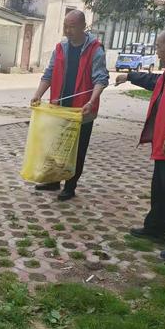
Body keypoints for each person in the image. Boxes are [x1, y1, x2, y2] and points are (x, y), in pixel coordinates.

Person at [31, 10, 109, 201]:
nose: (67, 30)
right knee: (56, 146)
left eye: (71, 26)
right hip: (59, 109)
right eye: (65, 26)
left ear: (83, 26)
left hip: (82, 111)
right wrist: (38, 94)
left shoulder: (95, 50)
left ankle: (70, 185)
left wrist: (92, 101)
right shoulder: (61, 48)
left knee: (77, 150)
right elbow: (49, 74)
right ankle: (54, 181)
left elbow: (101, 78)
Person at [116, 23, 165, 261]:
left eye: (160, 45)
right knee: (159, 190)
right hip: (162, 146)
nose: (156, 50)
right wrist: (129, 76)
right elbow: (153, 82)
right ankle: (155, 229)